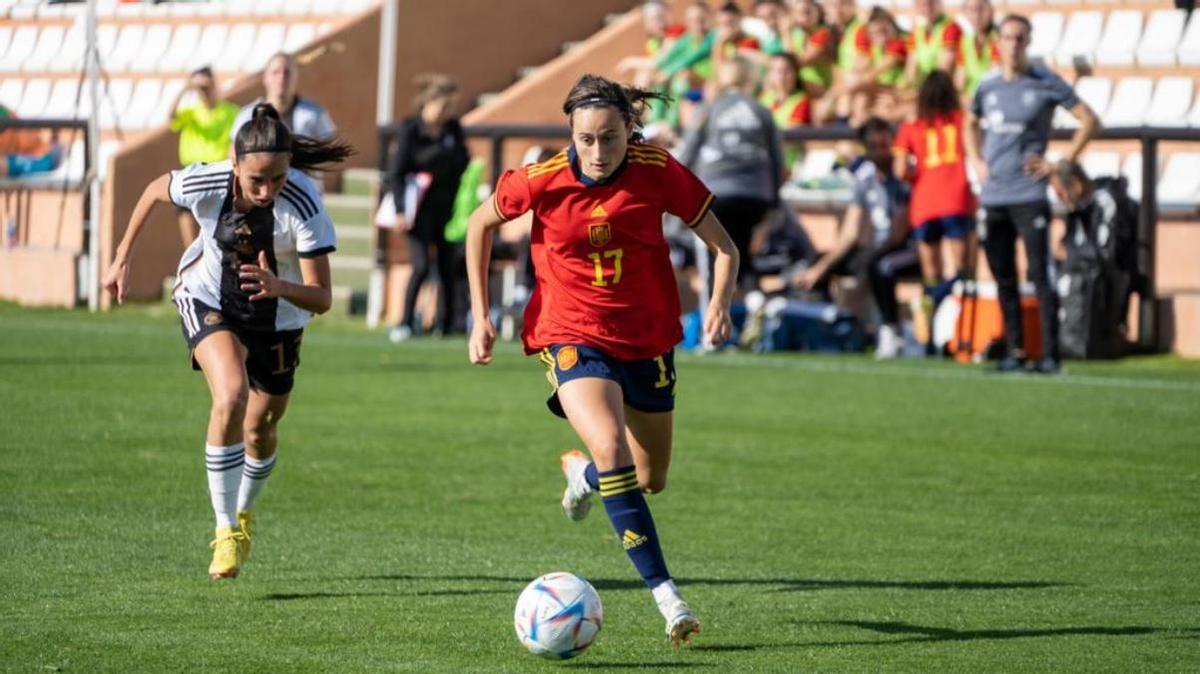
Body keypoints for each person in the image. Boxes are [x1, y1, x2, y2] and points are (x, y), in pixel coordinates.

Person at [463, 74, 739, 645]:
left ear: (629, 130)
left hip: (647, 339)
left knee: (647, 478)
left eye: (609, 138)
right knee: (610, 446)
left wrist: (718, 304)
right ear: (570, 132)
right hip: (570, 332)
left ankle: (582, 475)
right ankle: (668, 598)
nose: (596, 152)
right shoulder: (540, 179)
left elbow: (725, 247)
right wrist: (480, 313)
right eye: (585, 139)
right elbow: (479, 224)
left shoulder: (657, 169)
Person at [102, 104, 353, 579]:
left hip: (279, 319)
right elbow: (156, 190)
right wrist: (121, 258)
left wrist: (280, 286)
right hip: (207, 298)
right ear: (235, 165)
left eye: (277, 178)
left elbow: (322, 298)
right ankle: (225, 532)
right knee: (232, 395)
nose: (267, 190)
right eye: (256, 179)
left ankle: (244, 512)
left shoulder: (303, 206)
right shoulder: (207, 182)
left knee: (261, 428)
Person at [963, 13, 1100, 373]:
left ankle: (1051, 355)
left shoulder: (1044, 82)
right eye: (1007, 37)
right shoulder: (987, 85)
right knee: (1002, 274)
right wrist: (975, 158)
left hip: (1028, 193)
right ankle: (1014, 350)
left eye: (1020, 38)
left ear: (1028, 41)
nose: (1013, 44)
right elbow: (969, 122)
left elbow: (1089, 119)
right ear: (999, 42)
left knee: (1039, 274)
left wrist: (1062, 161)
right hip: (993, 195)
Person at [797, 117, 919, 358]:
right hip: (875, 247)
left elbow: (898, 233)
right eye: (874, 147)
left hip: (907, 248)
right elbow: (850, 233)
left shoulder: (905, 178)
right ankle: (832, 328)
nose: (881, 152)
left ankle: (890, 332)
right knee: (819, 262)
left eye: (885, 145)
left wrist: (873, 252)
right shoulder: (865, 181)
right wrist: (821, 268)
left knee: (880, 266)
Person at [680, 55, 784, 293]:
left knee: (714, 263)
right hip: (756, 195)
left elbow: (687, 154)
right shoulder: (762, 111)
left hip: (714, 193)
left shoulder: (708, 110)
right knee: (743, 260)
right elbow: (776, 160)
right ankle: (747, 313)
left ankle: (715, 320)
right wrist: (774, 202)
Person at [385, 75, 470, 341]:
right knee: (421, 265)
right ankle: (405, 321)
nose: (446, 113)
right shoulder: (411, 129)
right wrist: (400, 209)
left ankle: (445, 324)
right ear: (429, 103)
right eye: (443, 107)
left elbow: (462, 161)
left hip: (445, 208)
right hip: (417, 210)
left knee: (447, 267)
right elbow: (396, 172)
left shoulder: (452, 130)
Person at [893, 70, 976, 342]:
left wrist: (916, 175)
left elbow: (900, 169)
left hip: (924, 204)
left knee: (931, 272)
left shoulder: (912, 126)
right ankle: (962, 331)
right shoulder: (961, 120)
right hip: (957, 199)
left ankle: (930, 326)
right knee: (963, 269)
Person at [169, 66, 239, 246]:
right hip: (192, 170)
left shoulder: (230, 111)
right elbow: (171, 117)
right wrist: (187, 87)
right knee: (186, 215)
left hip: (218, 171)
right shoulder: (191, 112)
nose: (204, 92)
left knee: (217, 225)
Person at [233, 53, 336, 145]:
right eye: (276, 72)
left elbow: (331, 149)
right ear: (265, 77)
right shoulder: (248, 116)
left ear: (295, 77)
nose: (281, 78)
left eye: (287, 72)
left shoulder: (315, 114)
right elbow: (234, 153)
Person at [956, 0, 998, 101]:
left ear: (991, 11)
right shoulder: (965, 41)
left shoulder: (999, 39)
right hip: (969, 100)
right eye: (972, 10)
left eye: (981, 9)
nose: (977, 15)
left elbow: (994, 77)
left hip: (990, 98)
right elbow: (960, 80)